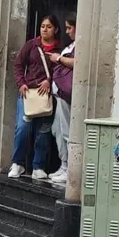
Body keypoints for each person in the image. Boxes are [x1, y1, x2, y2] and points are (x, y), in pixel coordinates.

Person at [8, 15, 62, 179]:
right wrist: (21, 83)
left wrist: (49, 81)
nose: (45, 29)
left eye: (49, 27)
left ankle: (38, 165)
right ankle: (18, 163)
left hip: (46, 96)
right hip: (28, 93)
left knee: (43, 131)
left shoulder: (60, 50)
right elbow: (18, 65)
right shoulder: (32, 45)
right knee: (23, 128)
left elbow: (62, 72)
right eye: (42, 26)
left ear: (55, 30)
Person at [47, 12, 77, 184]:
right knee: (57, 130)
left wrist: (58, 58)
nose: (67, 31)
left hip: (66, 95)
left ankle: (69, 167)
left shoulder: (79, 46)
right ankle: (63, 165)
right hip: (59, 95)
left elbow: (76, 62)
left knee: (66, 130)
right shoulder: (71, 45)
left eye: (69, 27)